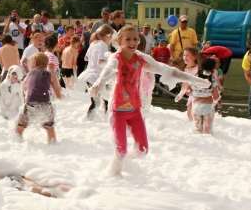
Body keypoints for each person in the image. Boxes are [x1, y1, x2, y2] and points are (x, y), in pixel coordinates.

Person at [89, 26, 209, 174]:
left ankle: (124, 164)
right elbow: (109, 69)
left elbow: (168, 70)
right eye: (128, 39)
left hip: (135, 110)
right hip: (118, 110)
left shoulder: (140, 58)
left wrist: (196, 80)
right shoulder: (116, 58)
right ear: (119, 41)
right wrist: (99, 82)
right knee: (120, 151)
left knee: (142, 150)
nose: (132, 42)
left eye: (135, 39)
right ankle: (113, 176)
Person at [0, 137, 71, 198]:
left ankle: (55, 191)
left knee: (38, 190)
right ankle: (63, 188)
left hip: (6, 183)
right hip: (9, 178)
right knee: (37, 186)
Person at [16, 53, 63, 144]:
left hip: (30, 104)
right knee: (49, 127)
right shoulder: (50, 74)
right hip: (45, 104)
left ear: (34, 63)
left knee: (20, 126)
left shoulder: (30, 73)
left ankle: (17, 142)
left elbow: (23, 86)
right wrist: (63, 97)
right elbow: (58, 93)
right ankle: (52, 144)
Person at [80, 24, 114, 116]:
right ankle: (99, 119)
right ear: (108, 35)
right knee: (103, 101)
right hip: (96, 77)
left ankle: (90, 119)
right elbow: (100, 62)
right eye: (111, 36)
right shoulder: (103, 45)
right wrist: (110, 64)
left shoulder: (93, 43)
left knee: (97, 102)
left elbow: (86, 58)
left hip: (89, 76)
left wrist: (93, 59)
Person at [188, 57, 220, 134]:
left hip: (196, 105)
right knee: (207, 130)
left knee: (196, 128)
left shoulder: (194, 79)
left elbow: (188, 91)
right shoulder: (212, 81)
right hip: (208, 106)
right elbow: (216, 96)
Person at [176, 47, 200, 121]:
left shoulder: (198, 69)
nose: (185, 57)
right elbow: (185, 82)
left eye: (187, 55)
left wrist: (190, 87)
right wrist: (181, 93)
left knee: (195, 113)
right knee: (189, 114)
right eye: (184, 55)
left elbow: (197, 82)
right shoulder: (186, 68)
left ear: (195, 57)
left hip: (199, 94)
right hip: (192, 94)